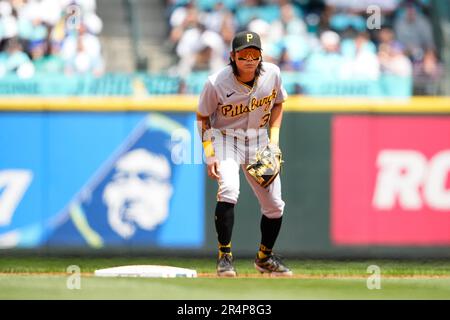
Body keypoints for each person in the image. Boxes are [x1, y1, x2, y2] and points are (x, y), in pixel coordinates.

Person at [196, 31, 292, 277]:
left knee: (275, 207)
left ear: (261, 55)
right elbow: (203, 117)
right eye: (244, 55)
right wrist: (209, 154)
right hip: (225, 139)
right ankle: (225, 257)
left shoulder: (273, 73)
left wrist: (275, 142)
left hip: (259, 141)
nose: (250, 59)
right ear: (232, 56)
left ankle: (264, 258)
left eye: (254, 54)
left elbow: (279, 103)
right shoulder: (216, 82)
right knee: (229, 189)